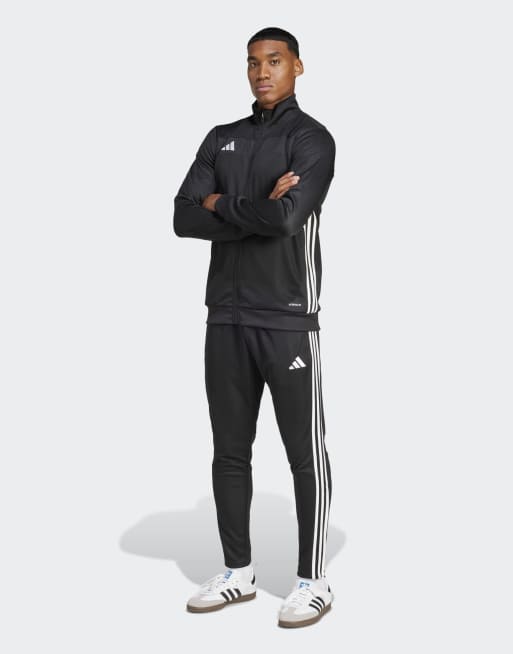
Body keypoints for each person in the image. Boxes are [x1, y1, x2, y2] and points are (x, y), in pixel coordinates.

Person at [172, 26, 336, 628]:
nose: (261, 72)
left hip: (287, 318)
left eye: (273, 61)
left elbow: (289, 219)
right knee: (229, 452)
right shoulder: (222, 138)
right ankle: (238, 573)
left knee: (303, 454)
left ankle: (313, 580)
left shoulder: (310, 139)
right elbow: (182, 217)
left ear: (297, 67)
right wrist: (256, 206)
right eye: (252, 63)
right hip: (225, 316)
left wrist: (221, 202)